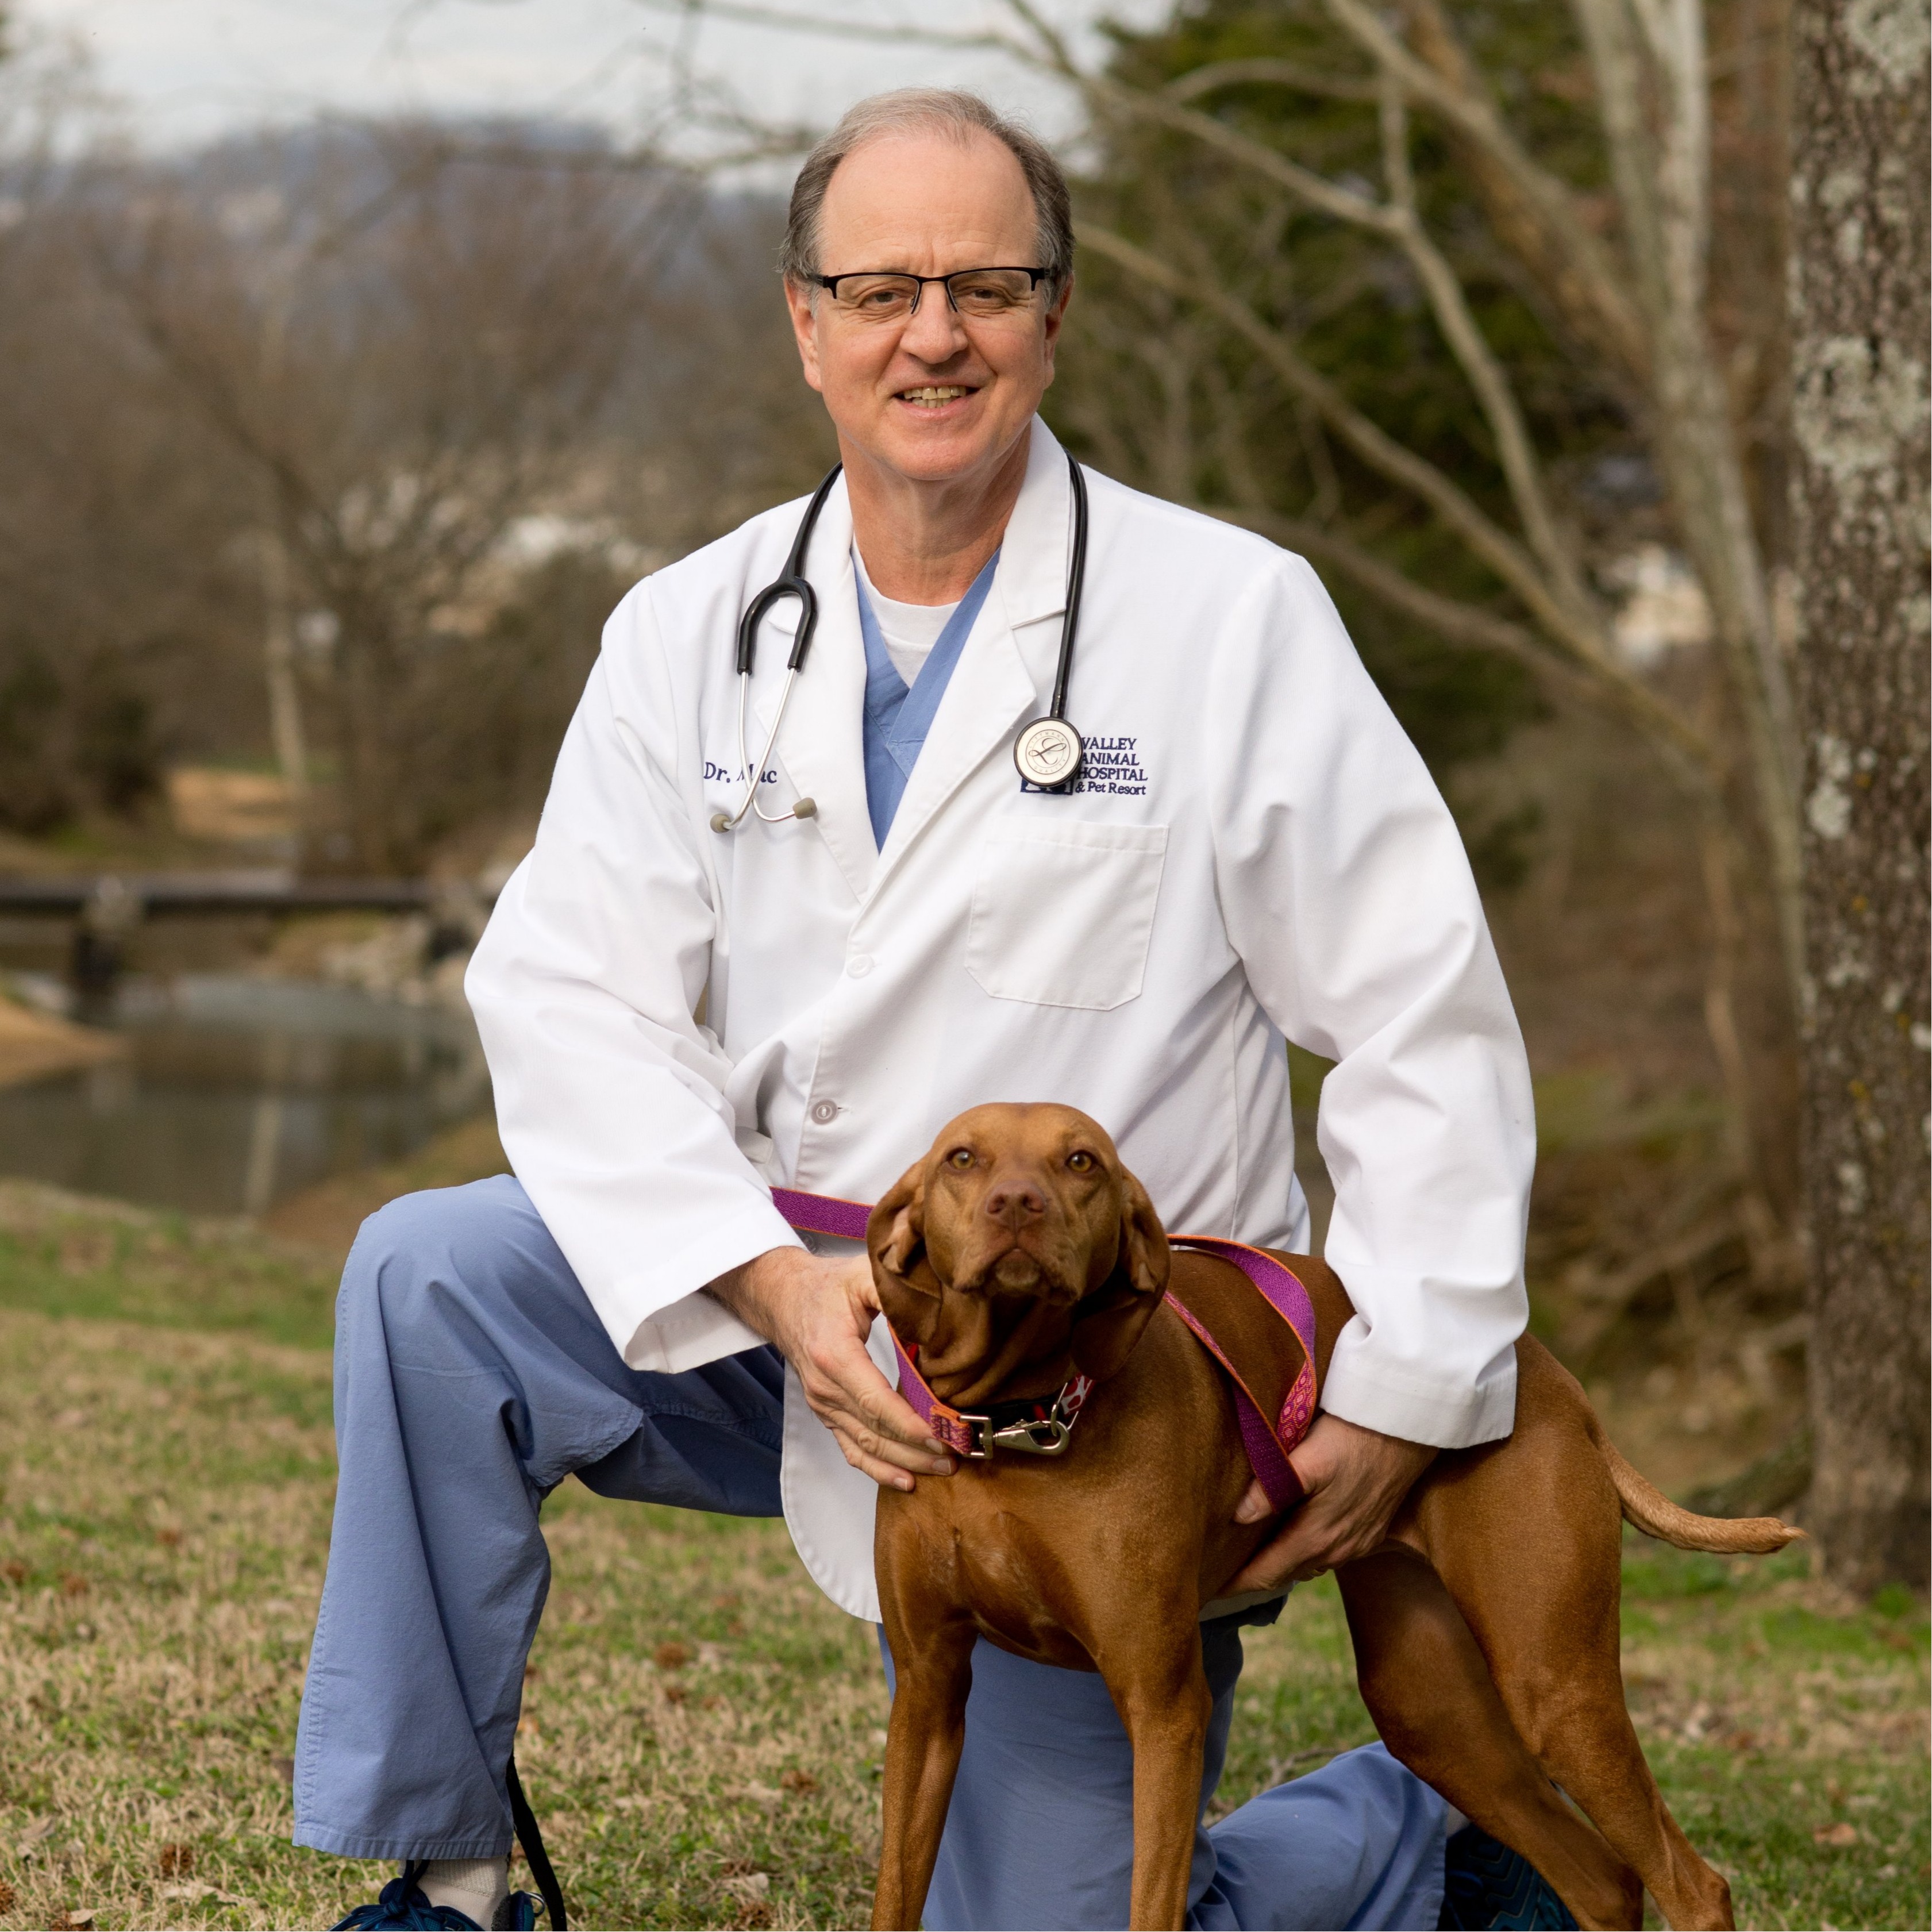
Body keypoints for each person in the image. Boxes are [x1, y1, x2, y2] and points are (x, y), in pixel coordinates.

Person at [297, 88, 1562, 1932]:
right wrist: (773, 1285)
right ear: (803, 320)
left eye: (985, 282)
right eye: (880, 284)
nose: (933, 332)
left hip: (1094, 1380)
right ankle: (453, 1879)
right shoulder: (688, 628)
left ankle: (1430, 1827)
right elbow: (569, 994)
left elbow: (1418, 1011)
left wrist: (1406, 1374)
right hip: (779, 1300)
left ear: (1055, 316)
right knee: (427, 1279)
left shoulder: (1228, 618)